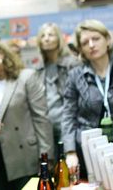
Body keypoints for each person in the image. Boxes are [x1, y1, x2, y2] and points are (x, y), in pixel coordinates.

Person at [62, 19, 113, 180]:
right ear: (81, 49)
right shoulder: (75, 76)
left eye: (96, 39)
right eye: (85, 42)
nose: (91, 45)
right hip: (88, 153)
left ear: (107, 40)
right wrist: (70, 152)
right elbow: (68, 116)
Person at [0, 41, 54, 190]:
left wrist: (46, 157)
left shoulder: (26, 77)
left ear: (1, 53)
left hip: (24, 156)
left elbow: (41, 119)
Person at [34, 23, 80, 158]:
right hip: (47, 126)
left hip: (69, 124)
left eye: (51, 35)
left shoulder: (73, 63)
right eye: (43, 36)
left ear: (59, 38)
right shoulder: (38, 69)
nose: (46, 39)